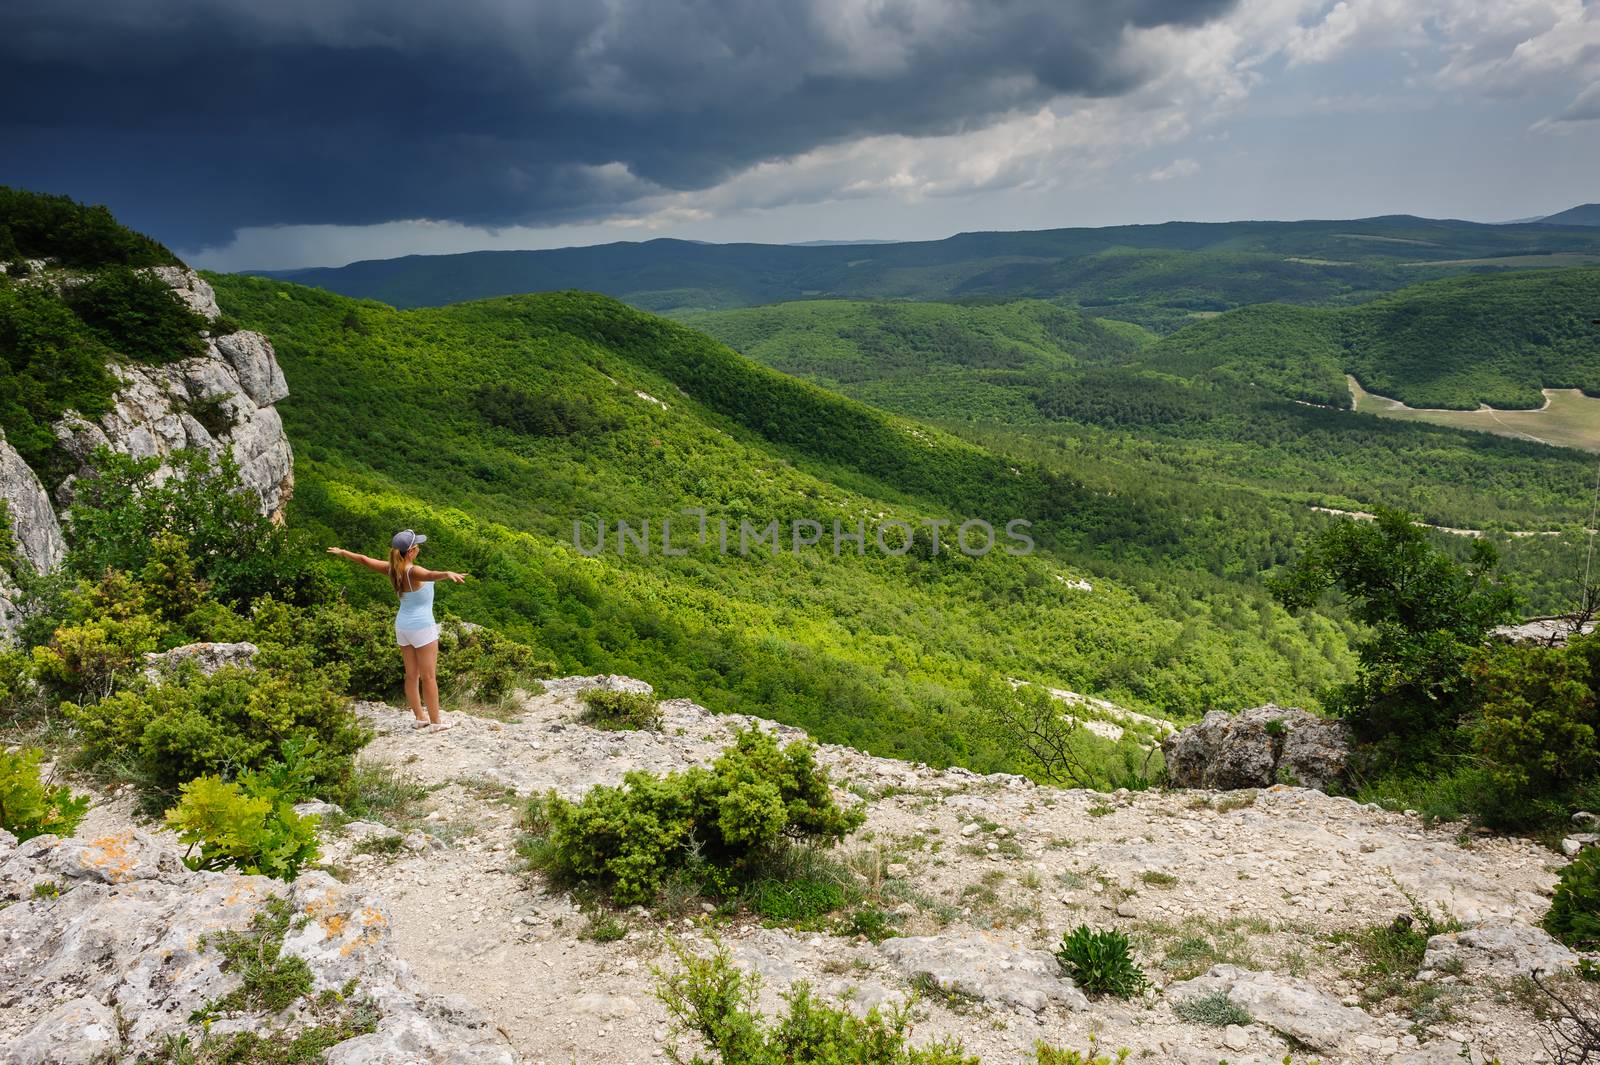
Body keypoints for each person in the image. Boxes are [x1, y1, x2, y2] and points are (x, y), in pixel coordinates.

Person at [327, 530, 468, 732]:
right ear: (410, 551)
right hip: (422, 627)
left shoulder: (392, 569)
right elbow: (429, 575)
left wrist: (343, 552)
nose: (419, 548)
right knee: (429, 677)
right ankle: (436, 722)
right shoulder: (413, 571)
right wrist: (447, 574)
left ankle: (420, 717)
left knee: (411, 675)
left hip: (402, 626)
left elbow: (365, 560)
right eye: (417, 546)